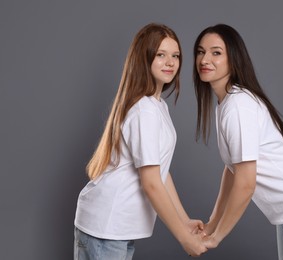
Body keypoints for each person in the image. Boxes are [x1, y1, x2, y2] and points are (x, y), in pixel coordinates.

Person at [193, 24, 283, 260]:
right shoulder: (226, 103)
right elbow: (232, 171)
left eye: (216, 52)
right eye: (200, 52)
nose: (205, 59)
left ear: (233, 58)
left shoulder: (239, 105)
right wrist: (211, 224)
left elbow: (246, 183)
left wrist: (217, 236)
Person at [74, 23, 207, 259]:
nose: (170, 62)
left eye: (175, 56)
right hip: (107, 227)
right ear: (144, 58)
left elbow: (161, 172)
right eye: (161, 55)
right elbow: (151, 183)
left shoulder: (157, 106)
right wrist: (184, 238)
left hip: (116, 228)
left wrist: (184, 220)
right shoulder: (144, 110)